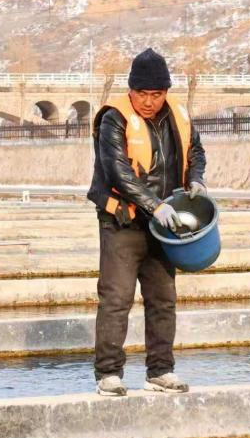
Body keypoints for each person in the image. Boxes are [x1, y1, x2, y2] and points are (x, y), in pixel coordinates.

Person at [87, 48, 208, 397]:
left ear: (166, 92)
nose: (149, 102)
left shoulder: (179, 116)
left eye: (156, 94)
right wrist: (154, 206)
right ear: (131, 90)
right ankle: (109, 373)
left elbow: (196, 151)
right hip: (123, 221)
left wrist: (197, 178)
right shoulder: (115, 118)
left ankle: (160, 370)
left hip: (163, 224)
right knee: (116, 297)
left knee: (162, 297)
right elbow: (118, 171)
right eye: (143, 94)